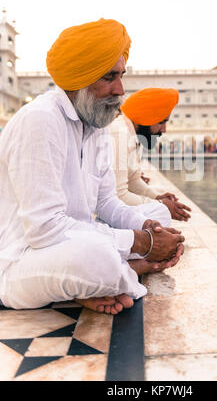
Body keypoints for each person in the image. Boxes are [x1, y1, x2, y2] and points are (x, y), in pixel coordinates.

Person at [0, 17, 184, 315]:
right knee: (95, 258)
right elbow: (45, 229)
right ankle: (131, 269)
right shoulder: (40, 120)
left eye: (121, 76)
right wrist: (142, 242)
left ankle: (104, 279)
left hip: (69, 242)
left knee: (158, 213)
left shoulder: (95, 126)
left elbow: (107, 202)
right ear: (80, 79)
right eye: (109, 77)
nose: (120, 89)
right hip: (20, 260)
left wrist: (146, 227)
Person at [109, 88, 192, 221]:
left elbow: (133, 179)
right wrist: (161, 206)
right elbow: (118, 196)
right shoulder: (119, 134)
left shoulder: (134, 134)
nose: (164, 130)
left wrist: (156, 197)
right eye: (161, 122)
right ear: (146, 117)